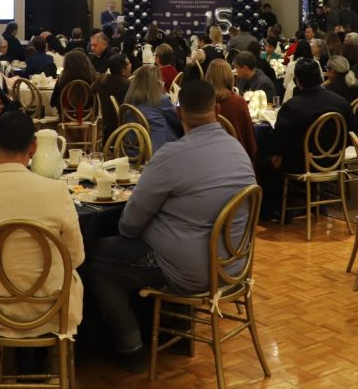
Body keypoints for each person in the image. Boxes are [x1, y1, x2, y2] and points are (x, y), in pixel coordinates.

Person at [90, 79, 255, 372]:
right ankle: (175, 332)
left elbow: (129, 226)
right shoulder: (237, 149)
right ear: (217, 111)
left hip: (190, 271)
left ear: (179, 114)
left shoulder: (171, 155)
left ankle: (130, 349)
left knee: (98, 256)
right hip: (233, 265)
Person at [0, 110, 84, 349]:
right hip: (52, 310)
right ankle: (55, 359)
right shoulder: (57, 192)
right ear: (33, 147)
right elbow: (76, 257)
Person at [267, 58, 355, 184]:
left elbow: (279, 140)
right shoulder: (341, 103)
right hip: (335, 161)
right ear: (320, 78)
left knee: (265, 159)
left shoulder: (291, 107)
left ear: (297, 81)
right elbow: (352, 134)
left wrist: (278, 152)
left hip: (302, 165)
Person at [204, 58, 257, 161]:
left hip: (207, 157)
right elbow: (249, 139)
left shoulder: (201, 102)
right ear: (229, 76)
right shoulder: (238, 102)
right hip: (237, 158)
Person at [123, 65, 182, 152]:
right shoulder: (160, 100)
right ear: (157, 82)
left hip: (133, 150)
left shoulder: (129, 101)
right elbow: (178, 121)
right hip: (159, 150)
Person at [92, 53, 132, 138]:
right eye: (129, 64)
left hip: (106, 125)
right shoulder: (127, 84)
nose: (131, 65)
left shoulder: (101, 79)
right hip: (124, 126)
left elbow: (91, 90)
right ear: (123, 71)